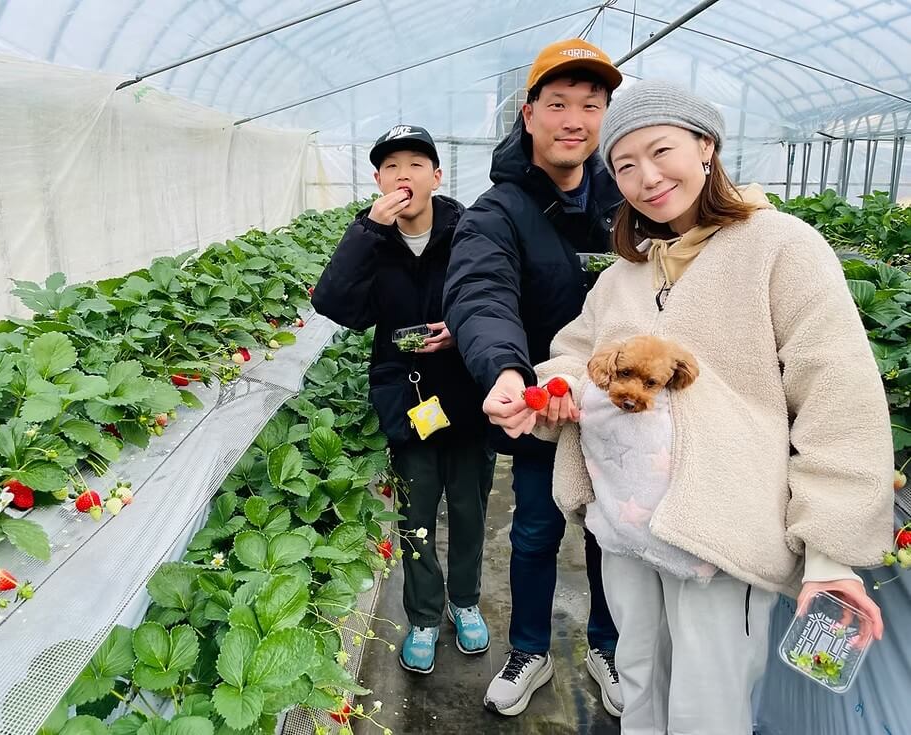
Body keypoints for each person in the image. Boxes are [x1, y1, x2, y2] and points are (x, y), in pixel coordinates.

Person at [513, 79, 892, 734]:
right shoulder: (624, 276)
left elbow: (838, 397)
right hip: (629, 531)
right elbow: (574, 359)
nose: (645, 178)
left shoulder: (780, 247)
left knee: (706, 704)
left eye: (661, 151)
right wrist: (546, 395)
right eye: (624, 166)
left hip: (723, 532)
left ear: (706, 147)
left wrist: (830, 554)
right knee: (638, 676)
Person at [443, 40, 624, 717]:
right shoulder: (499, 210)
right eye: (558, 103)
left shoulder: (631, 202)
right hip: (540, 407)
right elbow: (481, 292)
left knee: (615, 532)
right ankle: (529, 648)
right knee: (534, 531)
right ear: (528, 114)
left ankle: (609, 644)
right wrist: (506, 370)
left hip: (620, 408)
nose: (573, 118)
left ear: (606, 114)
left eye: (590, 104)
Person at [312, 125, 496, 676]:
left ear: (437, 176)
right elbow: (335, 305)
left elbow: (498, 297)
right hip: (407, 398)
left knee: (468, 509)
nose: (403, 175)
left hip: (465, 394)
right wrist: (368, 230)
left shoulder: (469, 232)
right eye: (391, 167)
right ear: (377, 180)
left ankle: (463, 602)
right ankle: (422, 616)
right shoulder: (374, 241)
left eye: (416, 164)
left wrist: (462, 334)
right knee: (416, 517)